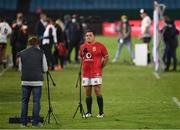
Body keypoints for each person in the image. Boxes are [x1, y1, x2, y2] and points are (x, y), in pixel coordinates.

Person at [17, 37, 48, 127]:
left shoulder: (22, 53)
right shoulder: (41, 53)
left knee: (24, 101)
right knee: (36, 102)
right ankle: (35, 123)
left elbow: (20, 69)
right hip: (37, 81)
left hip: (25, 80)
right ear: (37, 44)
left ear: (28, 43)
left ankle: (23, 123)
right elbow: (45, 69)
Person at [79, 30, 108, 118]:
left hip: (96, 72)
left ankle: (101, 112)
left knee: (97, 90)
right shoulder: (82, 47)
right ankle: (88, 112)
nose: (88, 37)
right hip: (86, 73)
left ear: (94, 36)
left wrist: (101, 67)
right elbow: (81, 58)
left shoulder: (100, 46)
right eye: (87, 35)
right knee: (87, 92)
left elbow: (106, 57)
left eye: (90, 35)